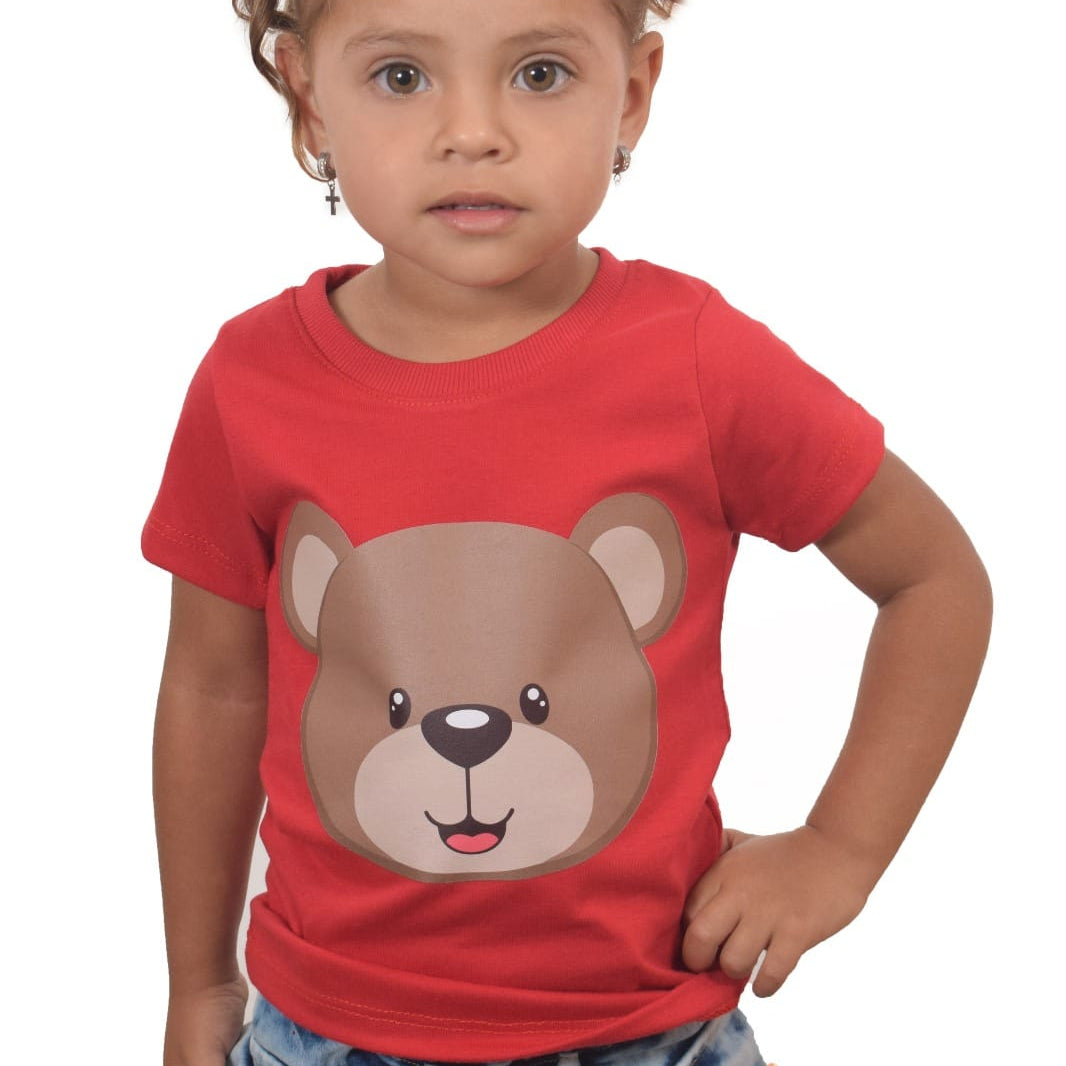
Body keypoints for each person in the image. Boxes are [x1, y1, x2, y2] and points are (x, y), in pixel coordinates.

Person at [144, 1, 992, 1064]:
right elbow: (213, 688)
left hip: (649, 1032)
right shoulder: (251, 384)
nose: (473, 132)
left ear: (630, 94)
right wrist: (198, 981)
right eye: (402, 77)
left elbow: (933, 578)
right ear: (310, 103)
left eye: (538, 74)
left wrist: (838, 849)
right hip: (320, 1027)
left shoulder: (696, 363)